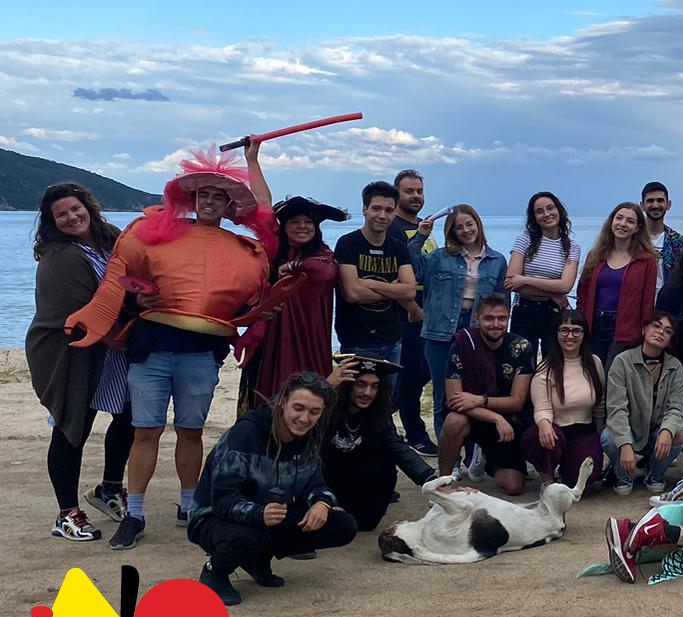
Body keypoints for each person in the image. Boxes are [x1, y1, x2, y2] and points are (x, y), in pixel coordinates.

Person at [64, 150, 279, 550]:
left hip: (202, 352)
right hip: (153, 350)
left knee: (191, 431)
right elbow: (123, 283)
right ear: (193, 199)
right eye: (203, 195)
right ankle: (135, 514)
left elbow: (254, 291)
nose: (209, 201)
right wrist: (135, 302)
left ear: (229, 205)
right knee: (145, 431)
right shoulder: (156, 237)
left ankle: (190, 507)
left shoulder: (243, 250)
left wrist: (260, 314)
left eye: (218, 196)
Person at [188, 372, 357, 606]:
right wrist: (258, 513)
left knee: (343, 525)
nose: (305, 418)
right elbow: (223, 499)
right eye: (298, 408)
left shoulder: (309, 435)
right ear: (282, 402)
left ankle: (257, 558)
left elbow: (315, 483)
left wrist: (322, 503)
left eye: (314, 412)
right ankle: (214, 571)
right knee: (249, 536)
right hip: (213, 517)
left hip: (271, 513)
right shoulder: (246, 433)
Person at [28, 181, 131, 541]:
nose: (72, 217)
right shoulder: (60, 257)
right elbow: (76, 315)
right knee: (73, 426)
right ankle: (67, 513)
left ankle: (109, 489)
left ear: (88, 207)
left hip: (113, 347)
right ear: (52, 221)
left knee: (129, 416)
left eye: (76, 208)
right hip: (72, 350)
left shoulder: (109, 238)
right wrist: (121, 340)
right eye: (61, 214)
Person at [237, 140, 343, 418]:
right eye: (295, 222)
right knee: (268, 401)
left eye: (308, 222)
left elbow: (322, 271)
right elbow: (263, 204)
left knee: (310, 398)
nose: (302, 227)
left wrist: (295, 266)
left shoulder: (324, 256)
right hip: (273, 337)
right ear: (284, 227)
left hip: (312, 336)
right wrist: (252, 160)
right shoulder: (274, 252)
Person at [415, 204, 508, 442]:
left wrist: (501, 333)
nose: (466, 230)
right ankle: (449, 454)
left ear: (478, 224)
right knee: (442, 393)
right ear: (452, 232)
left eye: (469, 224)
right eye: (459, 227)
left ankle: (472, 452)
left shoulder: (497, 260)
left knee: (473, 391)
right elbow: (411, 269)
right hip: (440, 329)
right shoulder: (438, 257)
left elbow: (501, 301)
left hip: (477, 330)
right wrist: (421, 236)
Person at [321, 355, 436, 531]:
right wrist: (325, 388)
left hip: (366, 485)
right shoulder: (323, 408)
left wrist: (431, 480)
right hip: (329, 482)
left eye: (374, 386)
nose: (367, 393)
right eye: (360, 384)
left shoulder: (379, 413)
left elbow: (399, 448)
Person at [439, 294, 536, 494]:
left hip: (508, 420)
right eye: (489, 318)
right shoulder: (462, 343)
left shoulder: (521, 347)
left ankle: (484, 454)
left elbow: (517, 401)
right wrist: (494, 417)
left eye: (501, 318)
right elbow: (454, 399)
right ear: (477, 318)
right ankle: (442, 484)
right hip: (472, 416)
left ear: (509, 317)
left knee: (514, 487)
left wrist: (481, 400)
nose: (496, 324)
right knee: (454, 421)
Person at [334, 180, 418, 368]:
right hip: (356, 341)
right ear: (365, 209)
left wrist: (369, 283)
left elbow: (409, 292)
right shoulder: (348, 244)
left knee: (390, 388)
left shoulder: (398, 247)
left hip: (392, 339)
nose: (382, 215)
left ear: (395, 213)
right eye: (376, 209)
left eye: (389, 210)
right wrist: (393, 290)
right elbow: (352, 294)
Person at [604, 312, 683, 494]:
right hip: (629, 429)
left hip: (656, 431)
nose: (660, 332)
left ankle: (655, 474)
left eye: (667, 331)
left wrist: (667, 430)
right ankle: (622, 475)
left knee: (679, 434)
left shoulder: (676, 366)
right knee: (609, 438)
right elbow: (616, 408)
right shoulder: (622, 361)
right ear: (644, 329)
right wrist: (625, 443)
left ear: (670, 339)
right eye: (656, 326)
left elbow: (676, 407)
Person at [523, 312, 605, 490]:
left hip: (584, 430)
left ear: (584, 334)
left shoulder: (595, 363)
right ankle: (547, 478)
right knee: (537, 437)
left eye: (576, 330)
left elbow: (600, 403)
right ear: (556, 333)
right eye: (564, 330)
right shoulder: (545, 369)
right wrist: (544, 424)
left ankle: (567, 470)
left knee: (588, 477)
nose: (570, 336)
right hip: (555, 430)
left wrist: (600, 436)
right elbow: (542, 407)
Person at [575, 202, 658, 368]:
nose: (622, 224)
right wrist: (581, 322)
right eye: (619, 218)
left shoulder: (647, 260)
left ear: (637, 228)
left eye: (630, 221)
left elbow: (648, 302)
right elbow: (582, 292)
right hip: (594, 326)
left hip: (625, 329)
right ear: (611, 221)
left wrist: (643, 330)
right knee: (593, 373)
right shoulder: (595, 255)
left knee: (613, 375)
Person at [389, 170, 436, 454]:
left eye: (419, 191)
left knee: (425, 370)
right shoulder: (393, 227)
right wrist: (411, 306)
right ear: (397, 194)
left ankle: (388, 411)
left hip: (429, 309)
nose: (416, 196)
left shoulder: (423, 227)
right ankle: (415, 434)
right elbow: (394, 274)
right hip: (407, 311)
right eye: (409, 191)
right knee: (409, 374)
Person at [505, 191, 580, 345]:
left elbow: (565, 286)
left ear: (559, 210)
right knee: (521, 358)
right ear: (534, 218)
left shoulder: (572, 247)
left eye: (550, 208)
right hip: (524, 310)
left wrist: (525, 280)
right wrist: (553, 292)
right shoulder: (525, 239)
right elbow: (512, 282)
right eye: (539, 212)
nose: (546, 214)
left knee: (553, 359)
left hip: (554, 311)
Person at [640, 181, 683, 292]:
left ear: (668, 205)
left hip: (667, 301)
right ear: (642, 206)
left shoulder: (677, 241)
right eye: (650, 201)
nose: (655, 205)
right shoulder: (632, 238)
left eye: (660, 200)